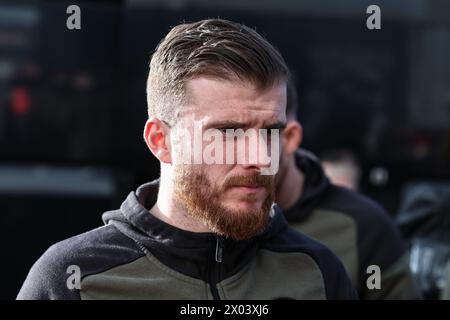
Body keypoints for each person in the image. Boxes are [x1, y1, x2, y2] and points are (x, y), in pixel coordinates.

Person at [17, 19, 356, 300]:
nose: (259, 157)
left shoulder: (319, 273)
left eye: (270, 132)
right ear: (160, 140)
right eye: (228, 132)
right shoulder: (70, 281)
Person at [276, 80, 420, 299]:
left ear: (289, 137)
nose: (240, 155)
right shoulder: (212, 222)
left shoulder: (364, 227)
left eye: (260, 134)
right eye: (224, 134)